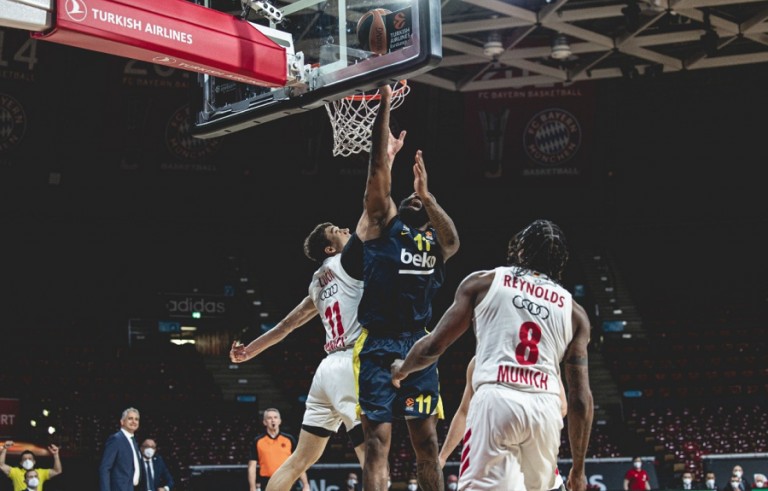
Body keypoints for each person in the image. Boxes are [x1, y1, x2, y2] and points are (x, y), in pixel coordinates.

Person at [391, 219, 593, 491]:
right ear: (560, 260)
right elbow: (580, 400)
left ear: (521, 249)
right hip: (545, 407)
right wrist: (578, 470)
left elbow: (434, 346)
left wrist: (402, 368)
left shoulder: (484, 282)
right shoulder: (575, 312)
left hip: (497, 398)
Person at [356, 83, 460, 491]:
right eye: (411, 201)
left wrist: (427, 196)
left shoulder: (433, 241)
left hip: (418, 345)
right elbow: (376, 176)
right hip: (379, 345)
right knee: (376, 443)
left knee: (427, 442)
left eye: (420, 206)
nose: (414, 204)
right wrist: (384, 104)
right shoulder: (383, 226)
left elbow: (454, 242)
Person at [230, 221, 367, 491]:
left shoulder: (317, 282)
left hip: (326, 369)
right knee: (373, 456)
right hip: (351, 364)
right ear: (330, 248)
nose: (344, 229)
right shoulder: (349, 260)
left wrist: (249, 351)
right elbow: (372, 219)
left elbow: (285, 326)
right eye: (336, 231)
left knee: (299, 460)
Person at [437, 357, 568, 469]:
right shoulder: (479, 361)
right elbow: (465, 413)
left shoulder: (481, 360)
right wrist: (442, 457)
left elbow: (562, 409)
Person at [247, 408, 309, 491]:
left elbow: (297, 463)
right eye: (269, 418)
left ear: (280, 421)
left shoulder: (289, 439)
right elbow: (252, 466)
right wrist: (252, 487)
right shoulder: (258, 441)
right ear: (264, 422)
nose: (273, 420)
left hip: (287, 481)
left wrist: (305, 484)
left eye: (275, 417)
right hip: (267, 482)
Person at [98, 407, 142, 491]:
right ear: (122, 422)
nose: (134, 421)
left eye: (136, 419)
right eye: (130, 418)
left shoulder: (133, 441)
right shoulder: (116, 439)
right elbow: (105, 468)